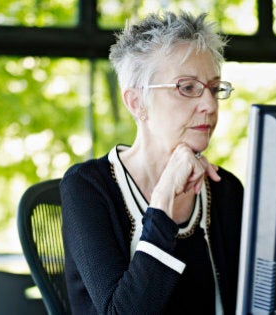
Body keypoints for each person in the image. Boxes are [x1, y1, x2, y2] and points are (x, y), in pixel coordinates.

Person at [60, 10, 244, 314]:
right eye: (187, 87)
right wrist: (162, 209)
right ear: (136, 102)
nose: (210, 105)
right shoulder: (88, 187)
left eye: (213, 88)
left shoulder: (224, 189)